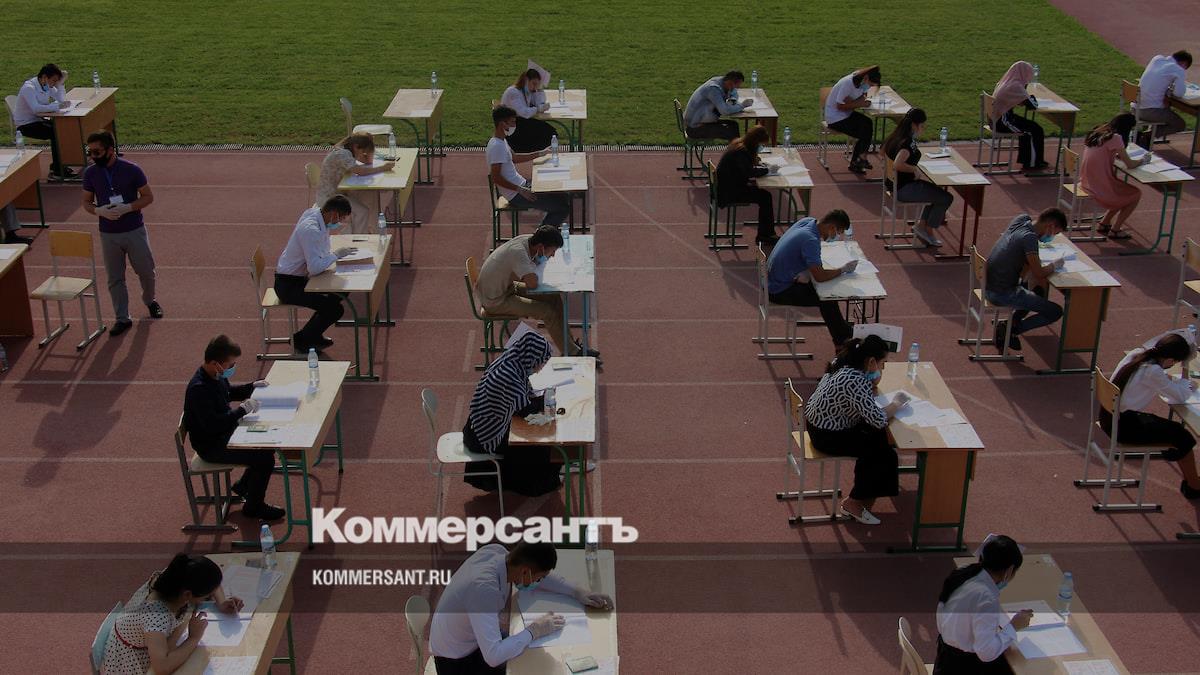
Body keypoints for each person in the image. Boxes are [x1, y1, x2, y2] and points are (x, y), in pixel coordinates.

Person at [429, 542, 614, 674]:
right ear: (525, 571)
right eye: (539, 578)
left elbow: (542, 576)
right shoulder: (484, 591)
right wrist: (535, 630)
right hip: (457, 661)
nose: (540, 582)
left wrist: (577, 591)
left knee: (528, 654)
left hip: (470, 640)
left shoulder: (497, 554)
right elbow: (493, 656)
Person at [804, 335, 908, 524]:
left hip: (818, 424)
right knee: (880, 452)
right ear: (871, 361)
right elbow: (878, 419)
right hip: (826, 435)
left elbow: (872, 385)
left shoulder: (844, 362)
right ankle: (853, 502)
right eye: (882, 363)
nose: (882, 368)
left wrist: (874, 375)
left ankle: (869, 490)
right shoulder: (854, 380)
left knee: (880, 440)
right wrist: (896, 404)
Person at [182, 334, 285, 521]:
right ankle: (254, 507)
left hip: (224, 434)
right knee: (263, 459)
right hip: (212, 446)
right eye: (230, 364)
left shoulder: (215, 376)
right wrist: (241, 411)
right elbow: (214, 425)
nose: (232, 368)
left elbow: (228, 392)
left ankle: (244, 486)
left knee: (267, 443)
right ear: (216, 364)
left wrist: (251, 387)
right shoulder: (199, 389)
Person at [100, 553, 244, 675]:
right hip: (132, 663)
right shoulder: (156, 617)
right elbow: (162, 667)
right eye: (205, 596)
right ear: (187, 595)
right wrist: (194, 637)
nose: (207, 597)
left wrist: (221, 602)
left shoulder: (175, 576)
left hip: (152, 643)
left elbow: (211, 581)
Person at [461, 330, 562, 496]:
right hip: (484, 437)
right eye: (540, 363)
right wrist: (549, 404)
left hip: (476, 426)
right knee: (537, 442)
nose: (540, 368)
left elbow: (523, 399)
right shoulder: (509, 377)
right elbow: (526, 412)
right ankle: (538, 484)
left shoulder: (510, 361)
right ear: (532, 358)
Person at [80, 130, 161, 337]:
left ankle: (150, 300)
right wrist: (98, 211)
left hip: (134, 230)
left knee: (146, 271)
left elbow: (148, 197)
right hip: (108, 234)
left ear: (110, 150)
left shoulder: (132, 170)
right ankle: (122, 317)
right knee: (115, 278)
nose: (93, 156)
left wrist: (128, 207)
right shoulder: (90, 173)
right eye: (90, 152)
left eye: (97, 152)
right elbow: (86, 202)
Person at [476, 225, 599, 360]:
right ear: (541, 247)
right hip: (495, 300)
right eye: (552, 251)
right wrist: (537, 262)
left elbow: (532, 274)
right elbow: (532, 284)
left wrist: (537, 261)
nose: (553, 255)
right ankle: (571, 352)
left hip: (505, 288)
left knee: (553, 297)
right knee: (547, 312)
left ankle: (570, 345)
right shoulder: (519, 253)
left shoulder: (528, 241)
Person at [1105, 332, 1200, 498]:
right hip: (1123, 427)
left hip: (1109, 417)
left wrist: (1172, 380)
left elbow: (1163, 381)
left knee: (1176, 432)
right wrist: (1186, 371)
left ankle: (1188, 475)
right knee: (1184, 438)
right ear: (1170, 360)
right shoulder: (1153, 372)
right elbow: (1180, 396)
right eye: (1176, 362)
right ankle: (1194, 486)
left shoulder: (1137, 355)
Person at [934, 534, 1030, 674]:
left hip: (945, 657)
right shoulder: (986, 598)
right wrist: (1013, 627)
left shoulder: (962, 573)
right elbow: (986, 653)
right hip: (962, 666)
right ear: (1009, 571)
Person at [274, 196, 359, 353]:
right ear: (333, 214)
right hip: (288, 286)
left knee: (341, 292)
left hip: (299, 278)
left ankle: (311, 334)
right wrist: (336, 255)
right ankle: (302, 340)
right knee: (335, 309)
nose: (340, 222)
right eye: (340, 218)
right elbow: (314, 267)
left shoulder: (317, 215)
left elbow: (321, 249)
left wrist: (331, 256)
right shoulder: (311, 229)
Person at [765, 209, 856, 346]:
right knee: (826, 298)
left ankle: (843, 332)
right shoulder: (811, 240)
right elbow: (820, 276)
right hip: (778, 291)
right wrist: (843, 269)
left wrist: (808, 270)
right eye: (838, 232)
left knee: (824, 294)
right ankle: (842, 340)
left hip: (773, 280)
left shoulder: (807, 222)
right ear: (831, 227)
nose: (837, 236)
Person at [985, 208, 1068, 353]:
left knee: (1038, 292)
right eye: (1055, 233)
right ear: (1050, 225)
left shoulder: (1021, 220)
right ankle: (1012, 330)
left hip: (991, 284)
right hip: (1002, 293)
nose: (1052, 237)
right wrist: (1055, 265)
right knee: (1055, 311)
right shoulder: (1029, 238)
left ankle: (1012, 323)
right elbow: (1039, 273)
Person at [488, 106, 570, 227]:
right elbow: (496, 178)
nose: (515, 125)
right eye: (512, 122)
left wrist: (540, 153)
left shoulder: (501, 141)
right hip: (517, 194)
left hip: (522, 185)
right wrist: (520, 190)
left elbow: (515, 158)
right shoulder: (497, 147)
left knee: (563, 195)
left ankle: (547, 231)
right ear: (502, 123)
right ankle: (542, 235)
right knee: (562, 207)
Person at [882, 108, 954, 246]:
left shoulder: (894, 137)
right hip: (904, 189)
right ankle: (928, 230)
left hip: (893, 185)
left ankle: (922, 226)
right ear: (914, 125)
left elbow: (882, 153)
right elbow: (897, 164)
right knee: (946, 198)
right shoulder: (906, 143)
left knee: (936, 193)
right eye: (922, 126)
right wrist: (913, 169)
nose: (923, 129)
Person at [1079, 113, 1148, 240]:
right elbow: (1130, 164)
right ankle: (1116, 229)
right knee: (1135, 194)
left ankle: (1105, 222)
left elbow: (1104, 152)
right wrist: (1143, 160)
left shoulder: (1098, 132)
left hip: (1086, 180)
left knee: (1123, 192)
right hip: (1098, 185)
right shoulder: (1115, 138)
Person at [314, 132, 395, 234]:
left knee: (371, 195)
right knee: (362, 211)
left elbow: (367, 162)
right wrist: (383, 168)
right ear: (356, 147)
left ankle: (373, 230)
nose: (364, 155)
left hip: (341, 192)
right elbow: (360, 171)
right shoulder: (342, 154)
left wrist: (368, 152)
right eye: (363, 152)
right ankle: (359, 238)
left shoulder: (348, 151)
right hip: (330, 197)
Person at [715, 125, 777, 245]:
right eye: (760, 145)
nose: (760, 148)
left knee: (763, 195)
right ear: (755, 142)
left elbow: (746, 169)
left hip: (728, 187)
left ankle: (766, 233)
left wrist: (759, 165)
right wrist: (768, 170)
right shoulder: (741, 152)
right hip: (730, 192)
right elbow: (749, 172)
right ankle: (766, 235)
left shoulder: (738, 144)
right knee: (765, 197)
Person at [12, 63, 74, 179]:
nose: (54, 84)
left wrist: (60, 84)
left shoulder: (46, 85)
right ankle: (57, 170)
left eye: (56, 81)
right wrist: (56, 106)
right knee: (55, 133)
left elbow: (61, 99)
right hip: (25, 124)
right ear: (44, 77)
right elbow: (35, 108)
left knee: (61, 127)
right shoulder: (29, 88)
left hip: (38, 120)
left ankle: (58, 165)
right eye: (54, 80)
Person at [990, 61, 1048, 172]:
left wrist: (1026, 96)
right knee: (1031, 130)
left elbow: (1021, 101)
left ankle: (1033, 159)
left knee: (1035, 127)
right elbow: (1032, 105)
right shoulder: (1015, 86)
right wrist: (1031, 96)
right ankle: (1032, 163)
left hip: (998, 118)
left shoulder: (1005, 82)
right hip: (1002, 121)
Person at [825, 66, 882, 174]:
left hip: (846, 114)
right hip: (835, 118)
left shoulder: (861, 83)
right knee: (864, 131)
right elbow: (840, 106)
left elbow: (861, 96)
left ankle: (859, 159)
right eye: (870, 85)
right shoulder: (848, 83)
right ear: (866, 78)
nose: (869, 87)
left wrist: (858, 102)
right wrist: (859, 104)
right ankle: (859, 159)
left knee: (867, 123)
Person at [1136, 50, 1192, 141]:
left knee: (1166, 107)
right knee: (1180, 124)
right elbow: (1179, 93)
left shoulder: (1157, 59)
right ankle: (1146, 136)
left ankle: (1148, 134)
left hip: (1136, 107)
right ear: (1184, 63)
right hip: (1149, 111)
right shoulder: (1178, 69)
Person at [683, 70, 753, 141]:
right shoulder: (713, 89)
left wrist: (733, 98)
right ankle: (737, 147)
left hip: (704, 122)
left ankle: (737, 147)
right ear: (730, 83)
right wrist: (742, 106)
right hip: (695, 128)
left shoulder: (723, 82)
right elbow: (724, 111)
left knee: (734, 125)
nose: (734, 89)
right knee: (730, 132)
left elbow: (734, 92)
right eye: (735, 87)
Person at [500, 68, 556, 153]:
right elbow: (524, 113)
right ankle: (536, 154)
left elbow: (538, 103)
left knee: (550, 132)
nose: (534, 87)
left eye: (537, 84)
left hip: (520, 123)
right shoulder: (513, 92)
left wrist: (539, 90)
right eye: (534, 84)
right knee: (547, 133)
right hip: (511, 128)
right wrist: (538, 109)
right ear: (526, 80)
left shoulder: (527, 92)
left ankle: (539, 154)